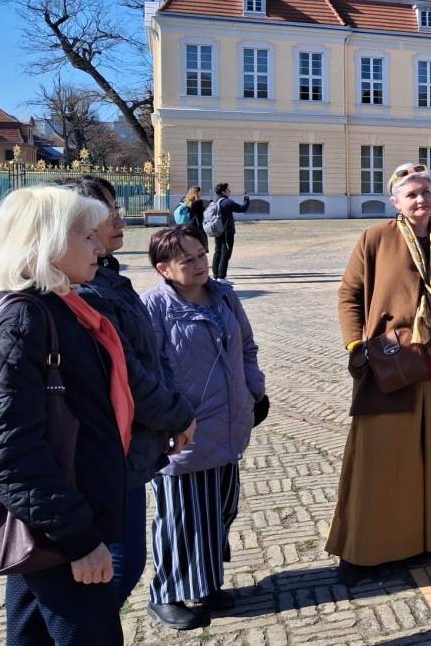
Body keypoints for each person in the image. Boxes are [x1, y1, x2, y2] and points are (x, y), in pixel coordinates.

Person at [0, 186, 130, 645]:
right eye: (86, 237)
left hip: (53, 522)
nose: (99, 246)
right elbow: (11, 451)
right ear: (47, 242)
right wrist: (78, 540)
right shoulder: (23, 320)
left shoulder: (59, 307)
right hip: (60, 528)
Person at [327, 162, 431, 586]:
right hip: (391, 367)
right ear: (395, 201)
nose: (420, 200)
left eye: (426, 191)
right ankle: (365, 549)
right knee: (381, 462)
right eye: (411, 194)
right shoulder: (375, 239)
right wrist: (357, 346)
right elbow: (350, 295)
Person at [60, 175, 197, 609]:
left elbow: (148, 355)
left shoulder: (107, 277)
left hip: (129, 447)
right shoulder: (86, 291)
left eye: (116, 209)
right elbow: (129, 373)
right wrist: (177, 415)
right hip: (109, 453)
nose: (118, 220)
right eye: (106, 213)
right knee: (117, 565)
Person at [141, 225, 268, 630]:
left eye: (202, 254)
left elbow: (247, 346)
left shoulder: (225, 295)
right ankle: (167, 594)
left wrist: (254, 391)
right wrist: (170, 420)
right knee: (180, 517)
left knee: (219, 511)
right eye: (187, 260)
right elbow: (150, 373)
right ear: (163, 269)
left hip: (229, 426)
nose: (200, 265)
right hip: (183, 432)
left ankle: (207, 583)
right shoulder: (153, 309)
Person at [210, 183, 249, 280]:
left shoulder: (215, 201)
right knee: (225, 254)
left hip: (217, 230)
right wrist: (246, 197)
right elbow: (242, 208)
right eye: (228, 190)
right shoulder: (227, 202)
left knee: (218, 252)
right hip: (227, 232)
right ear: (223, 192)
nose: (230, 191)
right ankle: (221, 277)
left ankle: (215, 276)